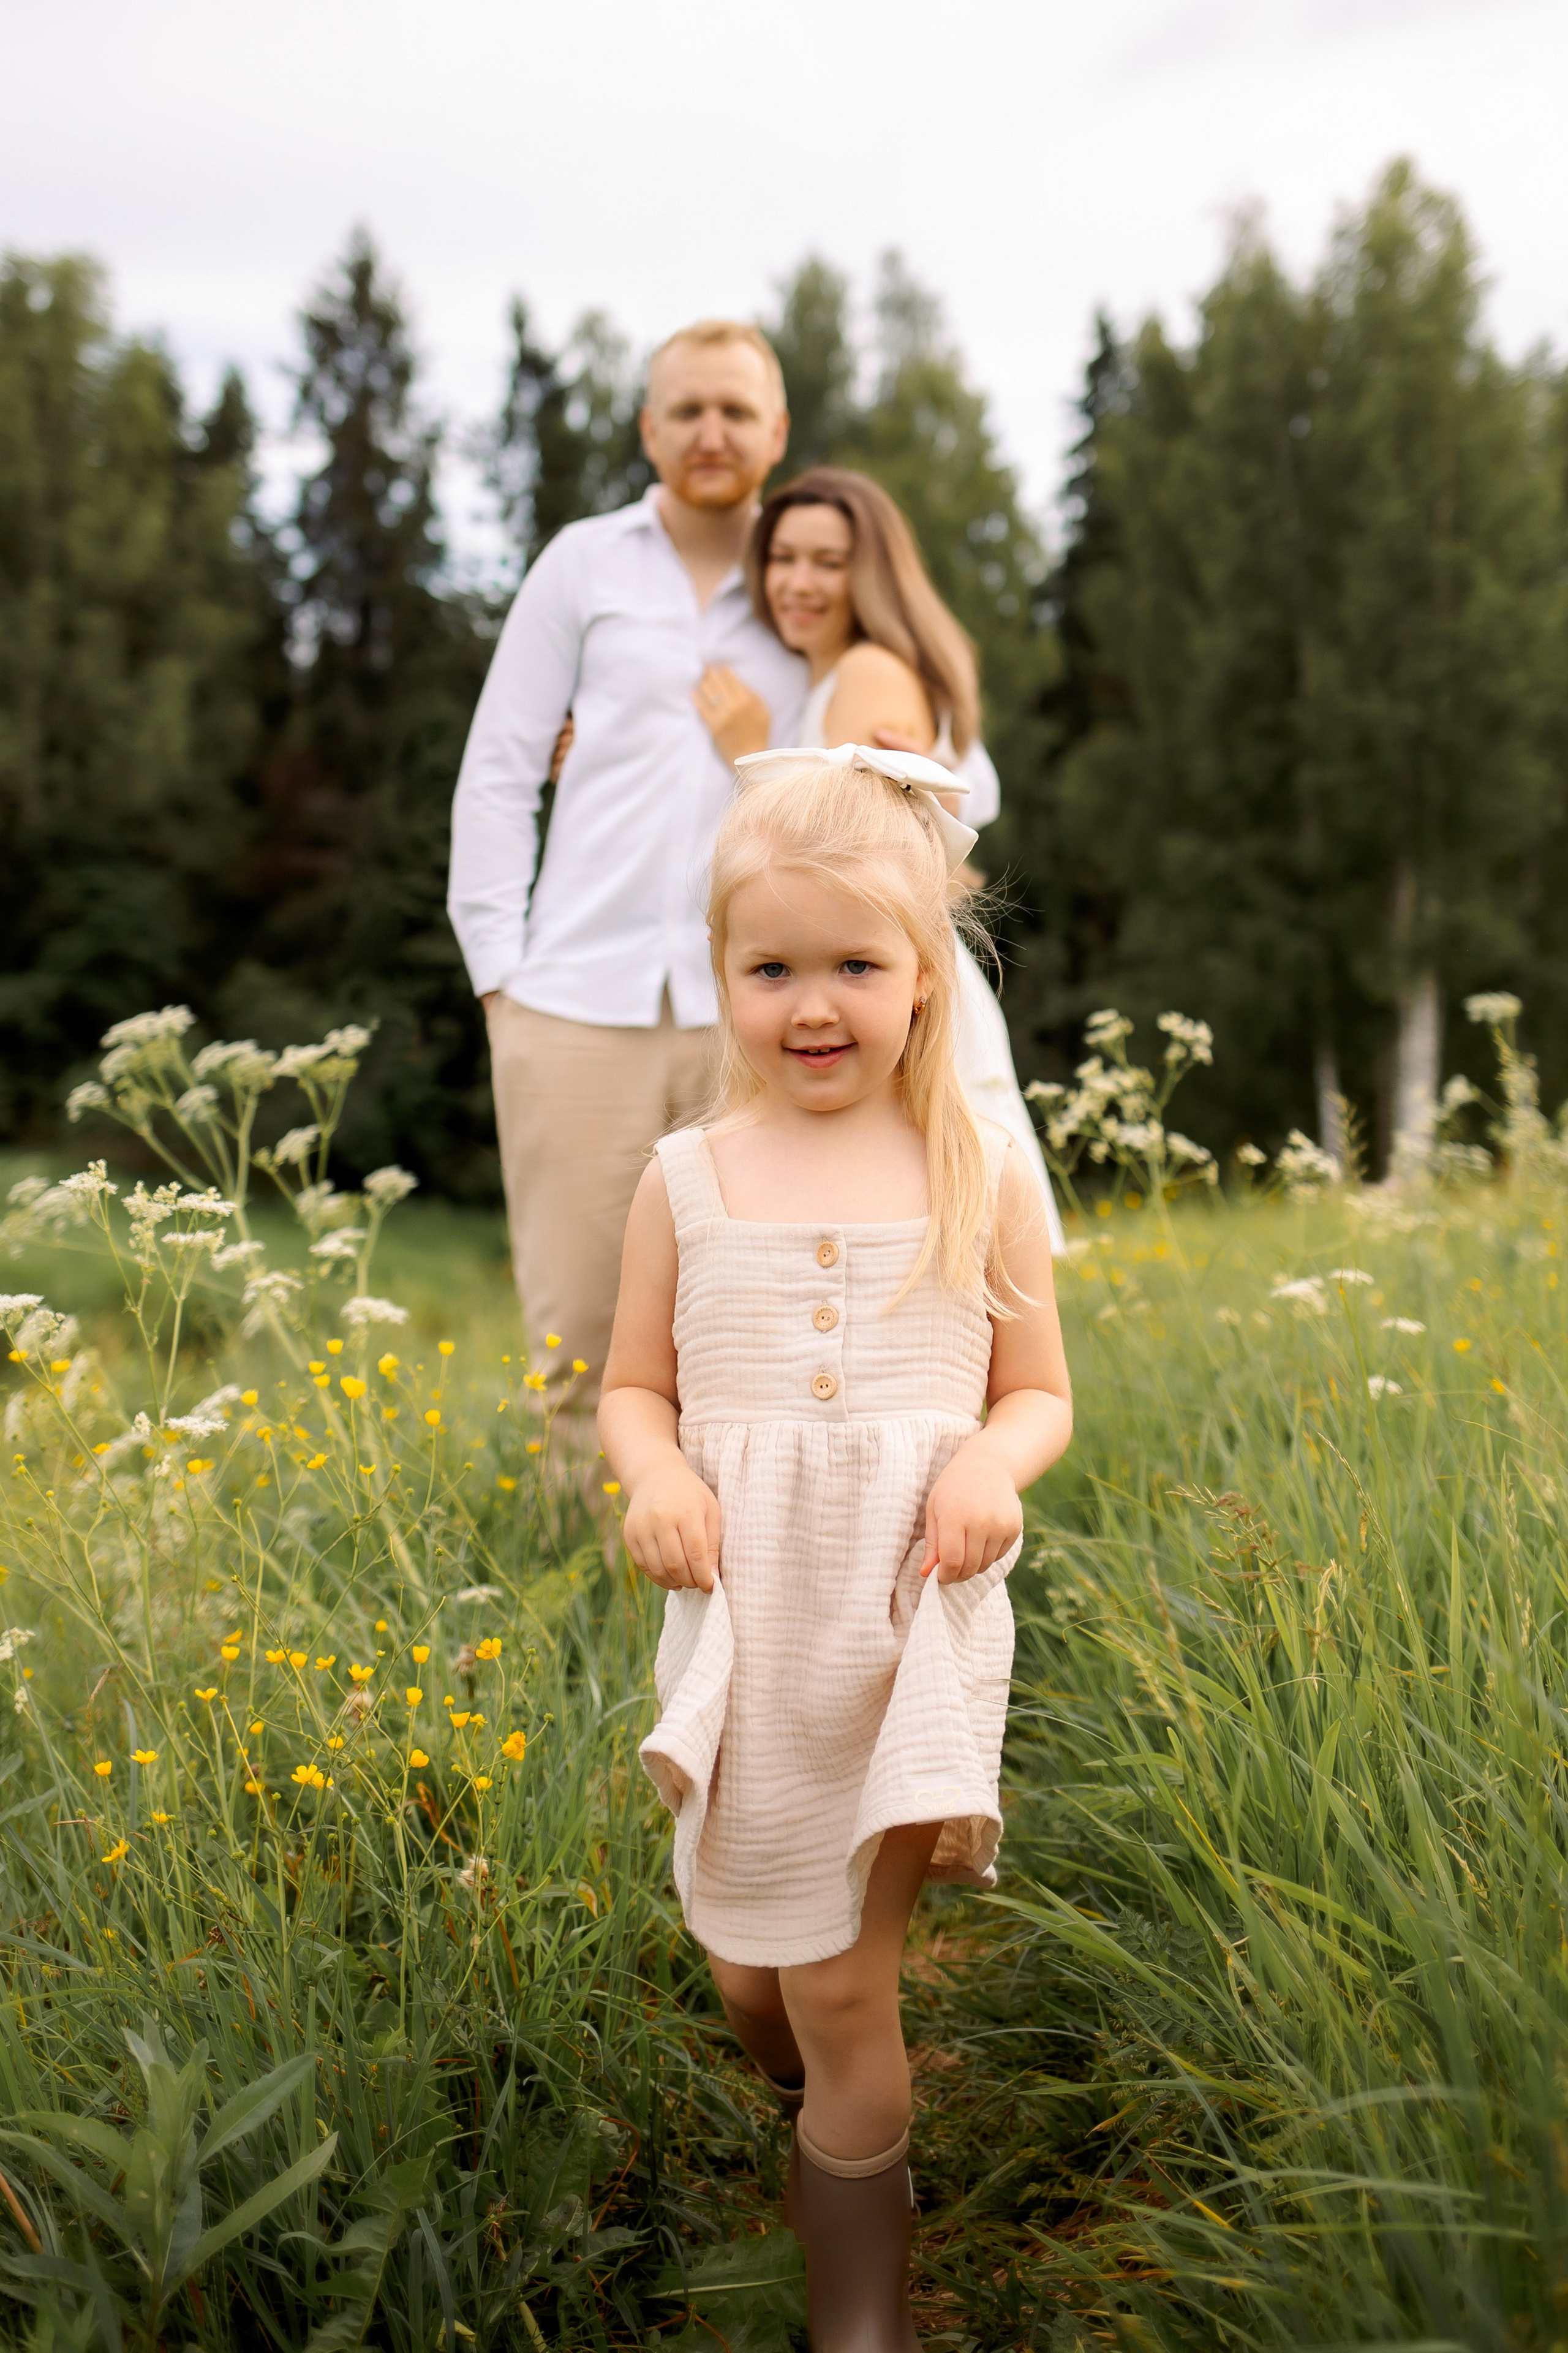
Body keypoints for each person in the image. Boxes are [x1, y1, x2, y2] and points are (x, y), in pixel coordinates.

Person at [598, 748, 1072, 2351]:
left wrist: (996, 1468)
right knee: (752, 1972)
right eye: (772, 967)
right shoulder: (685, 1181)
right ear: (722, 974)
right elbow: (633, 1386)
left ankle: (857, 2306)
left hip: (900, 1623)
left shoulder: (977, 1171)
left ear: (927, 980)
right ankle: (809, 2085)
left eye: (856, 966)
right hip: (746, 1629)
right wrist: (652, 1472)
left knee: (846, 1981)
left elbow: (1040, 1394)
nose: (815, 1004)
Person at [447, 320, 805, 1444]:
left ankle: (734, 1602)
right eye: (688, 410)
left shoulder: (810, 586)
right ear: (649, 429)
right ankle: (578, 1615)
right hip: (571, 1006)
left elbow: (894, 768)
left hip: (756, 1014)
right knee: (578, 1350)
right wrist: (502, 984)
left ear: (777, 431)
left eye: (737, 411)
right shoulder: (582, 564)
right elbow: (501, 771)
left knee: (749, 1341)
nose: (712, 432)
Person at [695, 463, 1065, 1251]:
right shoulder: (827, 673)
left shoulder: (866, 671)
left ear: (871, 575)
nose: (797, 581)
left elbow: (844, 851)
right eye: (782, 557)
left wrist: (748, 752)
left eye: (827, 562)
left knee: (926, 1229)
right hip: (862, 970)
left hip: (869, 975)